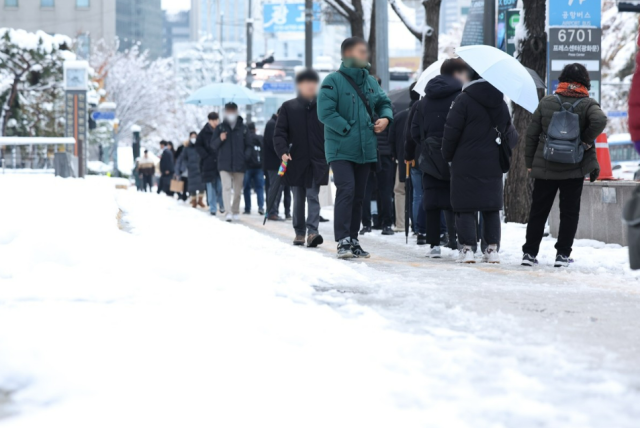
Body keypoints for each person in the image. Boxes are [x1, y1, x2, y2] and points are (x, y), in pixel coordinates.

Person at [522, 63, 606, 267]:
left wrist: (529, 162)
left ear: (563, 79)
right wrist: (584, 141)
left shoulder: (547, 101)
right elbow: (600, 120)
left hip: (546, 166)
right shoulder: (588, 104)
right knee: (569, 212)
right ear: (584, 82)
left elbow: (532, 134)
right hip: (573, 167)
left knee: (538, 211)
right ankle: (562, 255)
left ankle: (529, 253)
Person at [318, 37, 393, 259]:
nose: (366, 55)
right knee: (347, 190)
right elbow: (325, 112)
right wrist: (347, 130)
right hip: (340, 149)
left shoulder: (370, 82)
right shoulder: (332, 80)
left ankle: (353, 239)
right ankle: (342, 241)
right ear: (348, 53)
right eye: (362, 52)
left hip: (365, 149)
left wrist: (386, 118)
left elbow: (384, 103)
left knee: (359, 195)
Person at [442, 65, 517, 264]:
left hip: (464, 161)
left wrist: (447, 155)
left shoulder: (463, 100)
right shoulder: (500, 102)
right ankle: (492, 249)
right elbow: (510, 133)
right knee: (490, 206)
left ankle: (467, 249)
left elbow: (451, 131)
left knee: (465, 205)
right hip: (492, 161)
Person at [408, 58, 467, 258]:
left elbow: (414, 131)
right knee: (458, 199)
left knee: (431, 199)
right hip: (457, 155)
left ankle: (434, 245)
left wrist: (427, 143)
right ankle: (460, 242)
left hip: (431, 157)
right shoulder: (461, 97)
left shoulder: (424, 100)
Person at [274, 69, 329, 247]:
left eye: (313, 83)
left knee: (313, 196)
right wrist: (282, 151)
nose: (310, 86)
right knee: (298, 198)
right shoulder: (288, 107)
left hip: (317, 159)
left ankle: (313, 232)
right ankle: (299, 232)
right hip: (295, 160)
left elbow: (331, 131)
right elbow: (279, 133)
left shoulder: (324, 106)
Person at [211, 102, 252, 222]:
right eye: (228, 111)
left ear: (236, 111)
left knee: (238, 190)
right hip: (224, 164)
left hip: (240, 164)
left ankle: (235, 211)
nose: (231, 113)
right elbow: (213, 145)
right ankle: (228, 212)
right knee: (226, 188)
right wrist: (220, 138)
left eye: (232, 111)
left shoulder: (243, 128)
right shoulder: (220, 128)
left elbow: (249, 145)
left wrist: (246, 157)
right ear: (225, 112)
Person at [389, 82, 418, 233]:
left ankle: (400, 223)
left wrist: (396, 156)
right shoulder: (424, 112)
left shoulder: (399, 116)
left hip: (402, 159)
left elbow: (391, 139)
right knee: (418, 190)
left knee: (400, 191)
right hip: (421, 159)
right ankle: (418, 224)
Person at [263, 110, 292, 221]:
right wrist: (283, 150)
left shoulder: (277, 124)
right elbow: (273, 143)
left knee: (280, 188)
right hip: (273, 163)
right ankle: (272, 212)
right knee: (275, 187)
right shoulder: (272, 125)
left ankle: (274, 211)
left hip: (279, 162)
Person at [195, 112, 225, 216]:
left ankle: (222, 205)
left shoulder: (222, 130)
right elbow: (198, 146)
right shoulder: (203, 132)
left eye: (217, 120)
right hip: (208, 163)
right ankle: (212, 208)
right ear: (209, 120)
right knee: (210, 187)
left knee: (221, 186)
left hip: (220, 162)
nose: (215, 122)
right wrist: (205, 156)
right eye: (213, 120)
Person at [175, 132, 207, 208]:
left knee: (202, 186)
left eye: (195, 137)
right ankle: (193, 201)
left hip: (200, 169)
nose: (193, 139)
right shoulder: (186, 148)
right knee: (192, 187)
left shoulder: (200, 146)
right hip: (191, 169)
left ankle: (200, 200)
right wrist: (187, 165)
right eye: (192, 137)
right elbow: (183, 158)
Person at [243, 122, 265, 215]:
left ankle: (248, 208)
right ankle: (261, 207)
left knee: (246, 188)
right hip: (259, 167)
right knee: (259, 188)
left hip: (247, 167)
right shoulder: (260, 138)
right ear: (255, 129)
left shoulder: (245, 139)